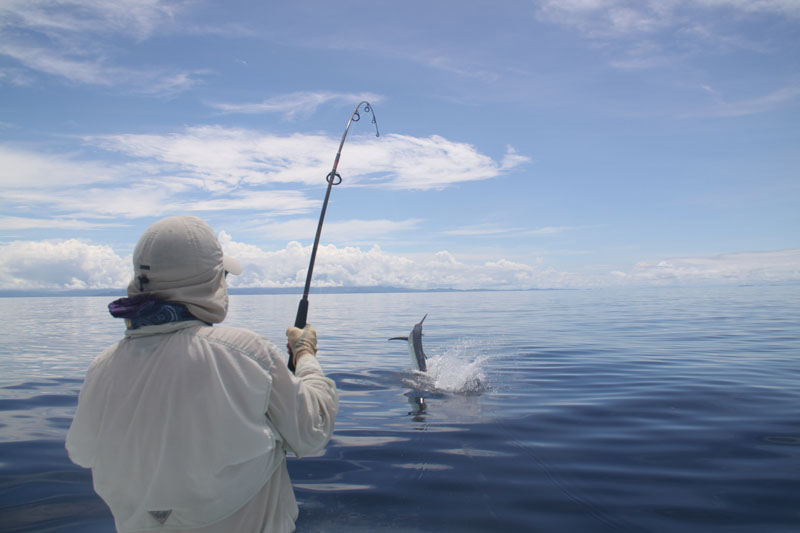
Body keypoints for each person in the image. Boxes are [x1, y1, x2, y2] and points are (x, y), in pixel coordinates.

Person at [65, 215, 338, 533]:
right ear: (209, 281)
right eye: (223, 275)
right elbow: (313, 431)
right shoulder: (247, 352)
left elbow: (80, 452)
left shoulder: (101, 368)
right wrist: (304, 353)